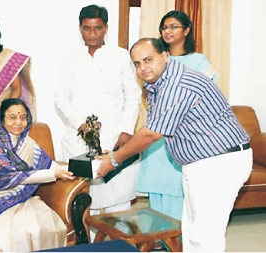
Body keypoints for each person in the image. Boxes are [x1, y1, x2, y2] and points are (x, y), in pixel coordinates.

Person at [96, 38, 252, 252]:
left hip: (219, 162)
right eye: (137, 63)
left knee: (206, 234)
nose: (143, 68)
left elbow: (151, 134)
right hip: (200, 162)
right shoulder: (158, 84)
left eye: (148, 59)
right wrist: (117, 152)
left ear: (165, 56)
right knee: (191, 231)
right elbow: (153, 127)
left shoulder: (177, 83)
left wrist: (114, 159)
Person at [54, 4, 141, 220]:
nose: (92, 34)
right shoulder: (70, 59)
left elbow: (133, 95)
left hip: (115, 136)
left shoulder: (121, 57)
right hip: (79, 139)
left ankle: (118, 243)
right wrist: (81, 125)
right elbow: (60, 98)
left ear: (106, 28)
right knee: (85, 195)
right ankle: (90, 244)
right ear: (80, 28)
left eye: (98, 28)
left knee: (118, 196)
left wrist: (127, 130)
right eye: (87, 28)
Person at [0, 98, 75, 252]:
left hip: (19, 197)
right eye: (12, 117)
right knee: (12, 234)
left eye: (23, 117)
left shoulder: (27, 142)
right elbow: (12, 176)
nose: (18, 122)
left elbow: (49, 164)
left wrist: (75, 168)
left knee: (47, 225)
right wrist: (54, 173)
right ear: (1, 119)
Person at [136, 10, 218, 222]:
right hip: (156, 137)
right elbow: (148, 95)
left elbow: (204, 96)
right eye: (164, 27)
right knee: (157, 186)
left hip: (184, 136)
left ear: (187, 30)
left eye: (173, 26)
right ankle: (158, 236)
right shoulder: (154, 60)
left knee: (180, 188)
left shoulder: (199, 62)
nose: (167, 31)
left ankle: (178, 239)